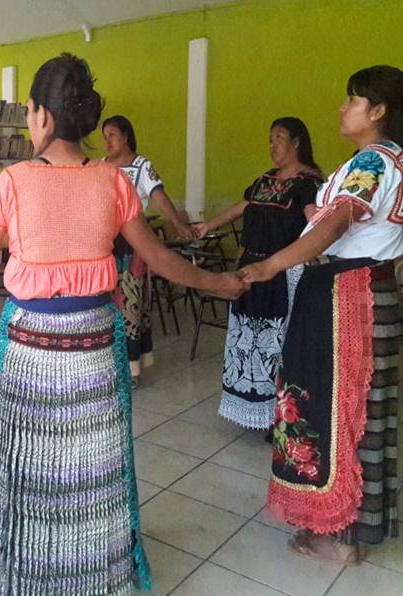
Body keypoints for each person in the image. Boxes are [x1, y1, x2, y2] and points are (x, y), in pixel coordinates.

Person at [0, 54, 246, 593]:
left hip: (30, 352)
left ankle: (35, 576)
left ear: (44, 118)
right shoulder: (113, 181)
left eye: (29, 111)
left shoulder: (14, 182)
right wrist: (223, 283)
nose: (29, 120)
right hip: (97, 347)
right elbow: (165, 260)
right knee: (94, 473)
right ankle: (96, 576)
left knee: (31, 475)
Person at [241, 65, 403, 564]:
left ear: (376, 111)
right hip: (355, 287)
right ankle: (350, 528)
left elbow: (335, 225)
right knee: (355, 412)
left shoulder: (374, 161)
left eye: (351, 100)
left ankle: (342, 534)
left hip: (350, 295)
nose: (342, 108)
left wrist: (270, 264)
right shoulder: (372, 162)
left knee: (342, 413)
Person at [193, 118, 323, 430]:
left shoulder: (308, 183)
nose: (273, 144)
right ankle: (248, 405)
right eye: (270, 138)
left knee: (276, 341)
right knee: (244, 338)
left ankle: (279, 414)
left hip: (282, 271)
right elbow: (242, 207)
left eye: (279, 137)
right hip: (250, 269)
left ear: (296, 142)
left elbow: (317, 226)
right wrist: (209, 225)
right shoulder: (265, 179)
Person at [102, 115, 194, 387]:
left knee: (130, 303)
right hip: (107, 244)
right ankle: (110, 364)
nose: (107, 141)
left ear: (126, 136)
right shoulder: (102, 167)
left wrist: (178, 224)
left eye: (112, 135)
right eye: (105, 137)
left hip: (134, 244)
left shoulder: (142, 166)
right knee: (107, 304)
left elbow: (158, 197)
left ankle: (130, 369)